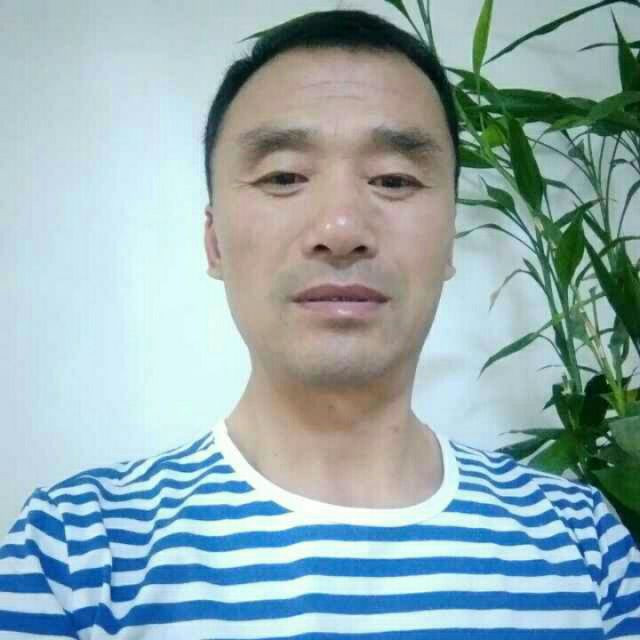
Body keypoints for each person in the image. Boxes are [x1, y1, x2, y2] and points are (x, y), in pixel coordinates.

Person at [1, 8, 639, 639]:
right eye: (283, 176)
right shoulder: (77, 552)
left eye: (394, 179)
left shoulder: (582, 542)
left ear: (450, 239)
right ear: (215, 242)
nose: (340, 229)